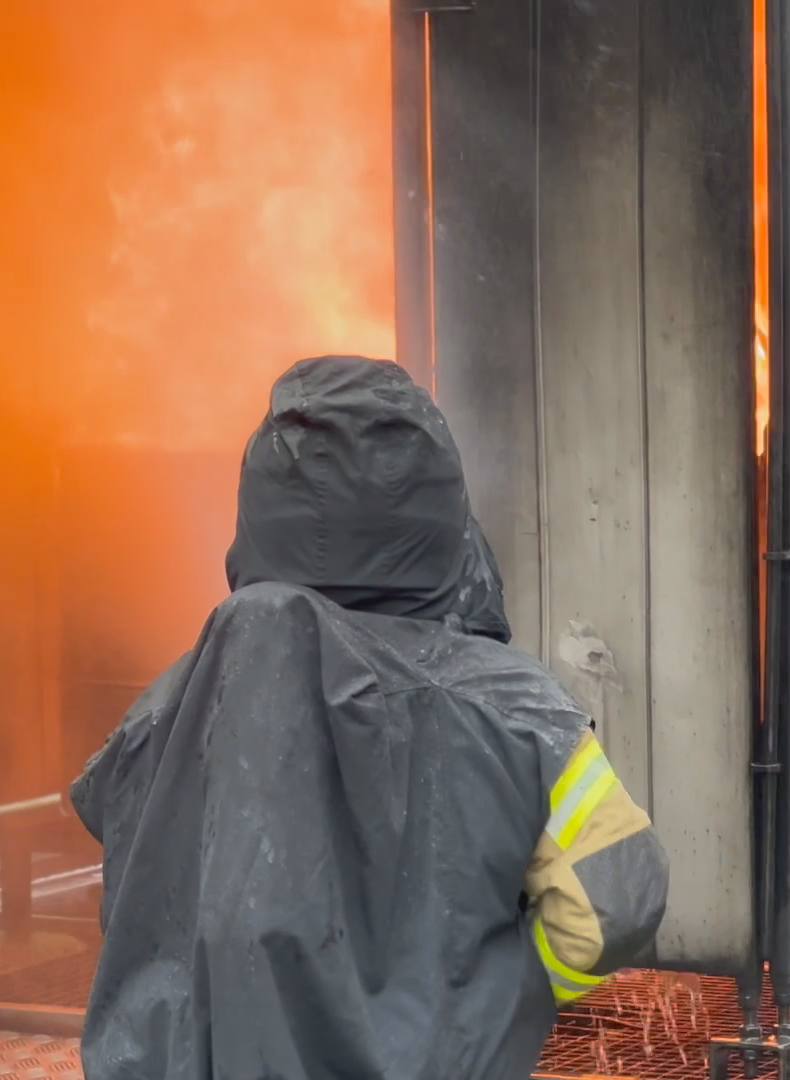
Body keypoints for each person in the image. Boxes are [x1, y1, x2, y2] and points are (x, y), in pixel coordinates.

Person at [70, 355, 670, 1079]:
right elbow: (618, 896)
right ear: (440, 509)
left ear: (259, 514)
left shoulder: (166, 713)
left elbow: (136, 928)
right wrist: (498, 1000)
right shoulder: (513, 708)